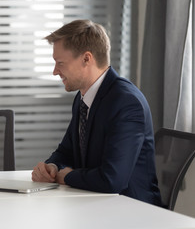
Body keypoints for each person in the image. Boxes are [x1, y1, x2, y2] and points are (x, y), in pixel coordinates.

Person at [31, 19, 162, 206]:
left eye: (60, 63)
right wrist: (51, 167)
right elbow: (66, 151)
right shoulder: (83, 97)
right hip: (96, 204)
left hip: (132, 211)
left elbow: (112, 179)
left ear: (86, 59)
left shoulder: (126, 103)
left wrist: (68, 177)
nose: (55, 71)